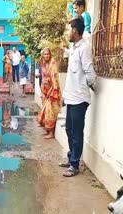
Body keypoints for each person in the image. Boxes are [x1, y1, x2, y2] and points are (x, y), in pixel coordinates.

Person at [61, 17, 96, 177]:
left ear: (75, 30)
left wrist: (88, 88)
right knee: (69, 129)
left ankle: (74, 165)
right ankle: (71, 158)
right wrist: (64, 95)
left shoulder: (84, 48)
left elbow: (89, 73)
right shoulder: (74, 48)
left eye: (69, 29)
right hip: (71, 97)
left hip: (80, 99)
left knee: (76, 133)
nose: (68, 32)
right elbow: (70, 76)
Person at [37, 48, 61, 139]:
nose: (46, 56)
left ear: (50, 54)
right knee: (44, 111)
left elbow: (54, 78)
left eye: (48, 54)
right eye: (44, 54)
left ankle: (51, 133)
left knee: (50, 112)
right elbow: (43, 78)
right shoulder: (43, 63)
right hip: (45, 91)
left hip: (52, 91)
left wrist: (53, 90)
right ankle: (48, 131)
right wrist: (43, 91)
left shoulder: (53, 63)